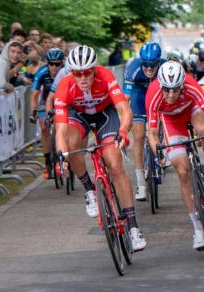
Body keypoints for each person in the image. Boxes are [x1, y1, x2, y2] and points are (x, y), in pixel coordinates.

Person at [54, 45, 146, 251]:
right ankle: (89, 190)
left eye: (87, 72)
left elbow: (125, 110)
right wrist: (61, 157)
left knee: (114, 164)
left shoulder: (105, 76)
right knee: (71, 145)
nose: (83, 77)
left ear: (94, 69)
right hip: (79, 115)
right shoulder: (64, 87)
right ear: (72, 73)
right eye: (78, 73)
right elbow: (60, 130)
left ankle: (133, 227)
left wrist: (122, 132)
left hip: (106, 114)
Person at [145, 61, 204, 250]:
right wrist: (158, 152)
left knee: (203, 129)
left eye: (175, 90)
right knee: (183, 171)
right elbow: (151, 134)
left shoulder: (191, 84)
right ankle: (198, 228)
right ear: (161, 86)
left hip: (192, 111)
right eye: (167, 90)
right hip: (171, 121)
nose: (171, 95)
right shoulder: (153, 94)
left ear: (182, 84)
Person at [123, 42, 165, 201]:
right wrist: (125, 119)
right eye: (145, 65)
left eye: (152, 65)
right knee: (139, 137)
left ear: (158, 62)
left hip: (158, 97)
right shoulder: (133, 67)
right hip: (139, 98)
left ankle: (162, 151)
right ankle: (141, 184)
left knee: (162, 125)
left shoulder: (165, 67)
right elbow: (125, 98)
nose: (148, 68)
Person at [30, 48, 65, 179]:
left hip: (63, 102)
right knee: (44, 128)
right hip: (46, 102)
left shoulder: (67, 71)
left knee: (59, 127)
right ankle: (47, 163)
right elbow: (34, 95)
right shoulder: (42, 73)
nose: (54, 67)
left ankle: (62, 153)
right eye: (51, 63)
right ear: (47, 62)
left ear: (62, 62)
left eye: (57, 64)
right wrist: (33, 112)